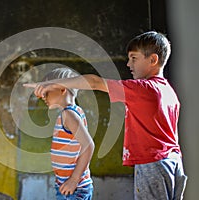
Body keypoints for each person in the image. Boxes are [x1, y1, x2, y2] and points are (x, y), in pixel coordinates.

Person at [24, 31, 187, 199]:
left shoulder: (143, 89)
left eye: (134, 58)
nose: (129, 65)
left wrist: (51, 83)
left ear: (153, 60)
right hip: (173, 162)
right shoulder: (168, 91)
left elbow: (94, 82)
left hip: (153, 163)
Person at [26, 68, 94, 199]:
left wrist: (74, 180)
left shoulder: (69, 114)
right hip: (66, 185)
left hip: (74, 188)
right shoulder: (71, 112)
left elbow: (89, 146)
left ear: (62, 90)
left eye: (47, 92)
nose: (43, 97)